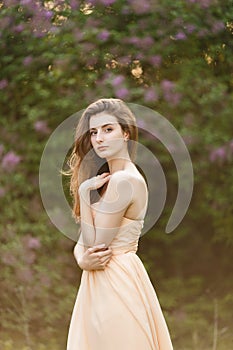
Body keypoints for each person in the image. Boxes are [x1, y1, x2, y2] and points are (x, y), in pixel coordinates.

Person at [65, 98, 173, 349]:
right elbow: (83, 244)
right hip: (102, 280)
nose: (99, 138)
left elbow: (95, 243)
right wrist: (82, 259)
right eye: (94, 132)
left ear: (126, 133)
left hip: (115, 281)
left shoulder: (123, 181)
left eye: (108, 129)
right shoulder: (111, 180)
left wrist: (83, 195)